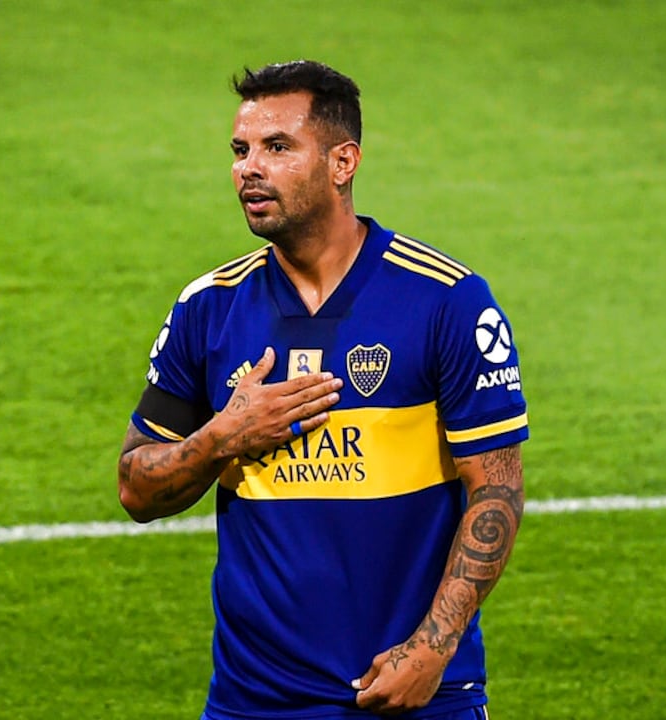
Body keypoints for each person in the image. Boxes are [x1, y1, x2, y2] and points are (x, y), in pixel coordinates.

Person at [118, 60, 527, 719]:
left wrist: (432, 648)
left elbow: (498, 491)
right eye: (240, 150)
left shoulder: (446, 301)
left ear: (343, 163)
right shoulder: (207, 309)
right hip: (256, 701)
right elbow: (136, 489)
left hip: (417, 695)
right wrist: (225, 435)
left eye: (277, 147)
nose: (249, 168)